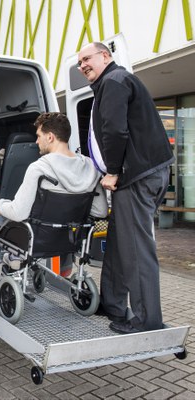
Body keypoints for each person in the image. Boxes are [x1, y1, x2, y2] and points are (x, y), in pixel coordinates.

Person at [77, 42, 174, 334]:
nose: (82, 65)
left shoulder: (115, 81)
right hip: (146, 173)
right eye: (79, 62)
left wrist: (113, 171)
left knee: (135, 249)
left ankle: (147, 320)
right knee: (121, 242)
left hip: (135, 177)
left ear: (105, 56)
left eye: (87, 59)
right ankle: (113, 303)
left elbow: (115, 130)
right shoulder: (114, 81)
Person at [0, 112, 107, 273]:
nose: (36, 141)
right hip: (70, 237)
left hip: (37, 238)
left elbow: (18, 213)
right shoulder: (90, 167)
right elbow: (101, 211)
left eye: (38, 136)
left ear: (50, 137)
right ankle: (14, 258)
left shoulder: (39, 168)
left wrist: (2, 206)